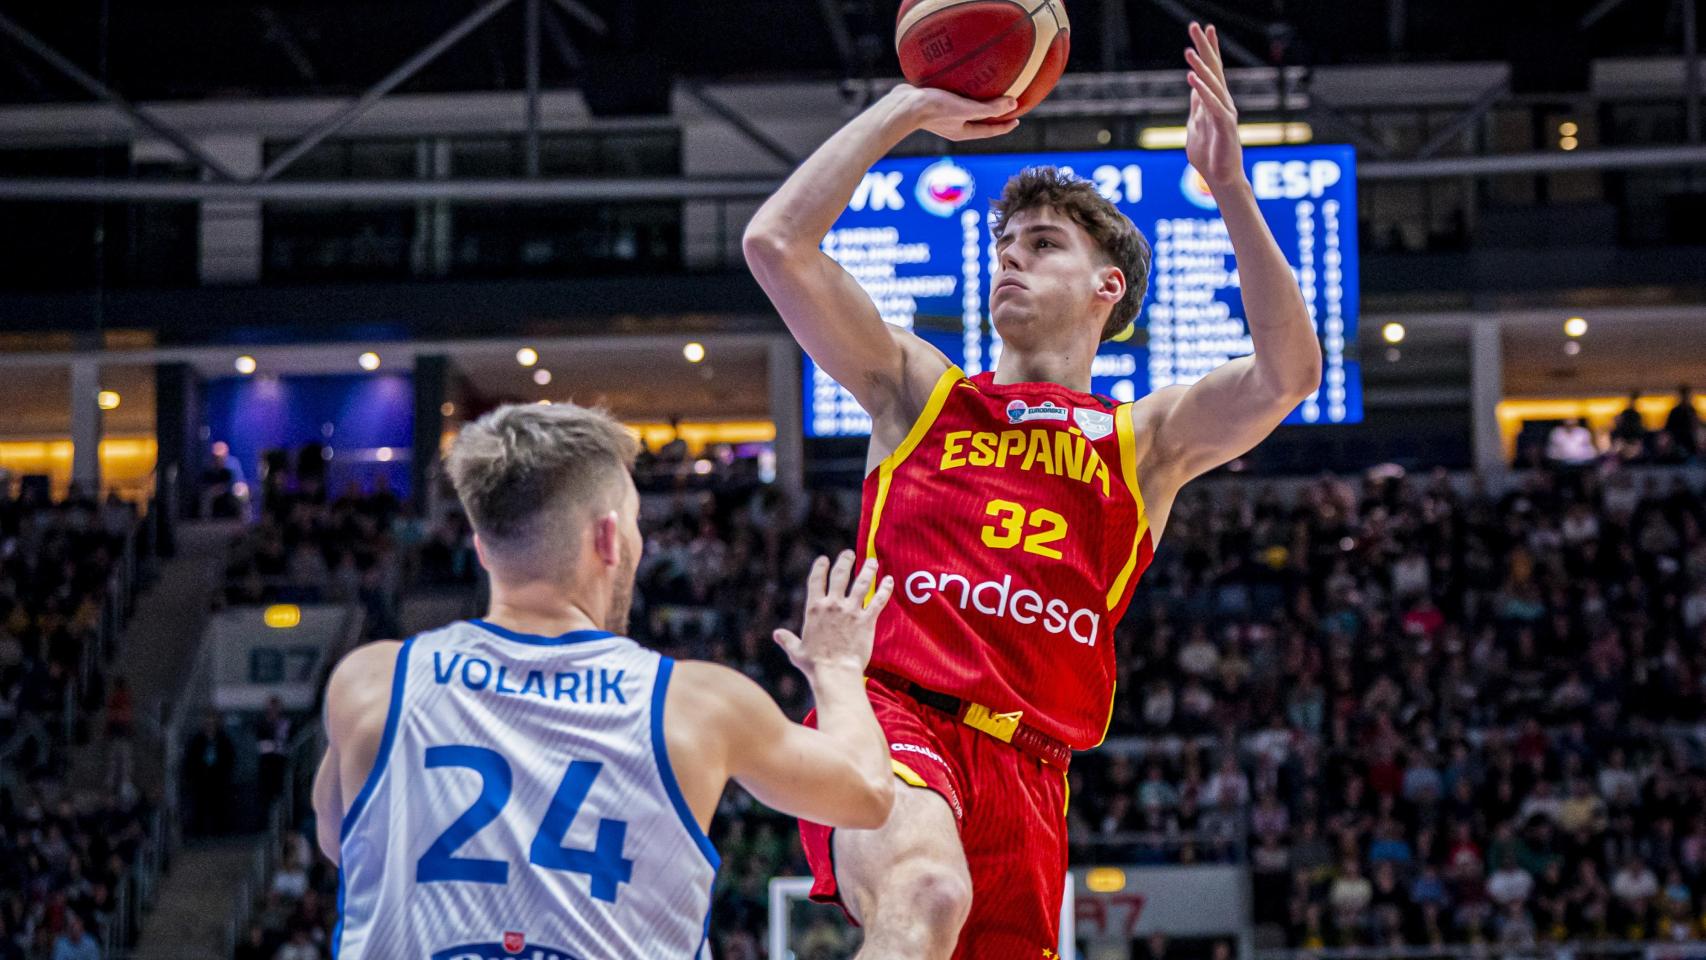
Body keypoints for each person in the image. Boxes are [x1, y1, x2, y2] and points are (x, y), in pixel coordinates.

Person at [743, 22, 1321, 959]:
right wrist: (912, 106)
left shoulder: (1142, 443)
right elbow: (775, 242)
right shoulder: (923, 392)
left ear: (1108, 287)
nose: (1009, 255)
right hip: (896, 711)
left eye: (1041, 243)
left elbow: (1287, 375)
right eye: (1004, 242)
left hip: (1032, 769)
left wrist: (1230, 189)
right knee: (925, 893)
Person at [313, 403, 897, 959]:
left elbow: (344, 844)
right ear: (608, 538)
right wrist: (840, 668)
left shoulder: (372, 682)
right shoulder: (695, 705)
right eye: (637, 523)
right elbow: (868, 794)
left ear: (483, 549)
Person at [1664, 385, 1700, 458]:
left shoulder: (1691, 410)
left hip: (1689, 442)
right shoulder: (1676, 411)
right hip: (1678, 442)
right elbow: (1669, 428)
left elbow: (1695, 425)